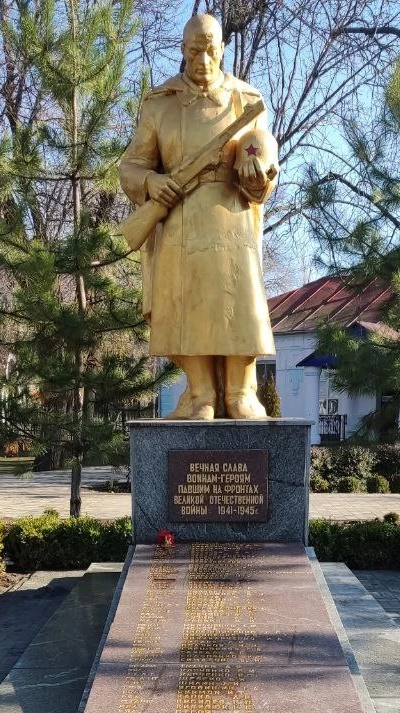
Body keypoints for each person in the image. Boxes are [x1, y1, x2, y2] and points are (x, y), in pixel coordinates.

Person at [119, 13, 279, 420]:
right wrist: (153, 184)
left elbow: (262, 158)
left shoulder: (247, 101)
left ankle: (240, 392)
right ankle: (200, 391)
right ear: (183, 51)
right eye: (194, 51)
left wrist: (257, 173)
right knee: (184, 303)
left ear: (222, 48)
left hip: (233, 224)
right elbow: (130, 167)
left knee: (238, 303)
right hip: (180, 223)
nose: (203, 60)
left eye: (210, 50)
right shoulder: (160, 104)